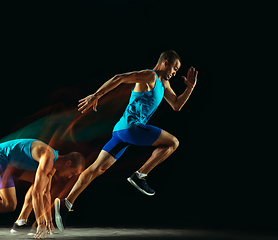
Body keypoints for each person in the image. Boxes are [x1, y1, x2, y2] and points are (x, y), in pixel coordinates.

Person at [54, 50, 198, 230]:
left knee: (96, 169)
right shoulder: (149, 76)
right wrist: (96, 95)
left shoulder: (165, 84)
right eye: (174, 68)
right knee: (173, 143)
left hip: (121, 131)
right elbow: (119, 77)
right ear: (165, 62)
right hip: (132, 128)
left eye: (177, 70)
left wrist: (190, 88)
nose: (175, 72)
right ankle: (140, 175)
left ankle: (66, 204)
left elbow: (176, 105)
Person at [0, 138, 85, 239]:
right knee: (9, 204)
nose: (69, 177)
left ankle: (20, 222)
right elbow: (37, 193)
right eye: (72, 173)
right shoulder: (48, 157)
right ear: (68, 163)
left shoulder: (52, 165)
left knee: (41, 184)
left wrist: (48, 221)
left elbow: (45, 194)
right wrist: (41, 224)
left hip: (13, 164)